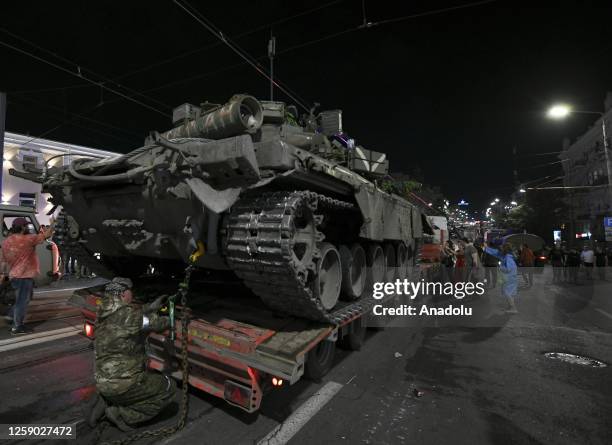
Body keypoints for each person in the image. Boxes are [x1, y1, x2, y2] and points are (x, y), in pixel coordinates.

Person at [88, 278, 176, 431]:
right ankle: (122, 414)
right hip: (122, 382)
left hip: (102, 378)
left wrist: (151, 307)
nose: (132, 294)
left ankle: (105, 400)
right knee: (169, 386)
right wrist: (172, 318)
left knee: (117, 382)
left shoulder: (102, 311)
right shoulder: (129, 316)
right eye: (130, 291)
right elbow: (158, 323)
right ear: (123, 294)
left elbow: (130, 317)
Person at [0, 218, 54, 335]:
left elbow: (3, 261)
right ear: (23, 227)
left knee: (23, 298)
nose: (27, 228)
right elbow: (47, 235)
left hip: (14, 275)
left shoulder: (6, 242)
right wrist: (53, 223)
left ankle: (10, 316)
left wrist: (3, 275)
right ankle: (17, 327)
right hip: (24, 276)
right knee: (22, 301)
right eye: (26, 226)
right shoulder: (29, 239)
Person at [484, 242, 518, 314]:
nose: (500, 249)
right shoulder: (506, 256)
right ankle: (510, 306)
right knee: (509, 293)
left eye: (502, 248)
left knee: (507, 293)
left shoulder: (508, 257)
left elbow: (509, 269)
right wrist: (486, 248)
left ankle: (513, 308)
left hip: (509, 278)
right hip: (509, 277)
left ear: (505, 249)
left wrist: (500, 267)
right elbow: (496, 253)